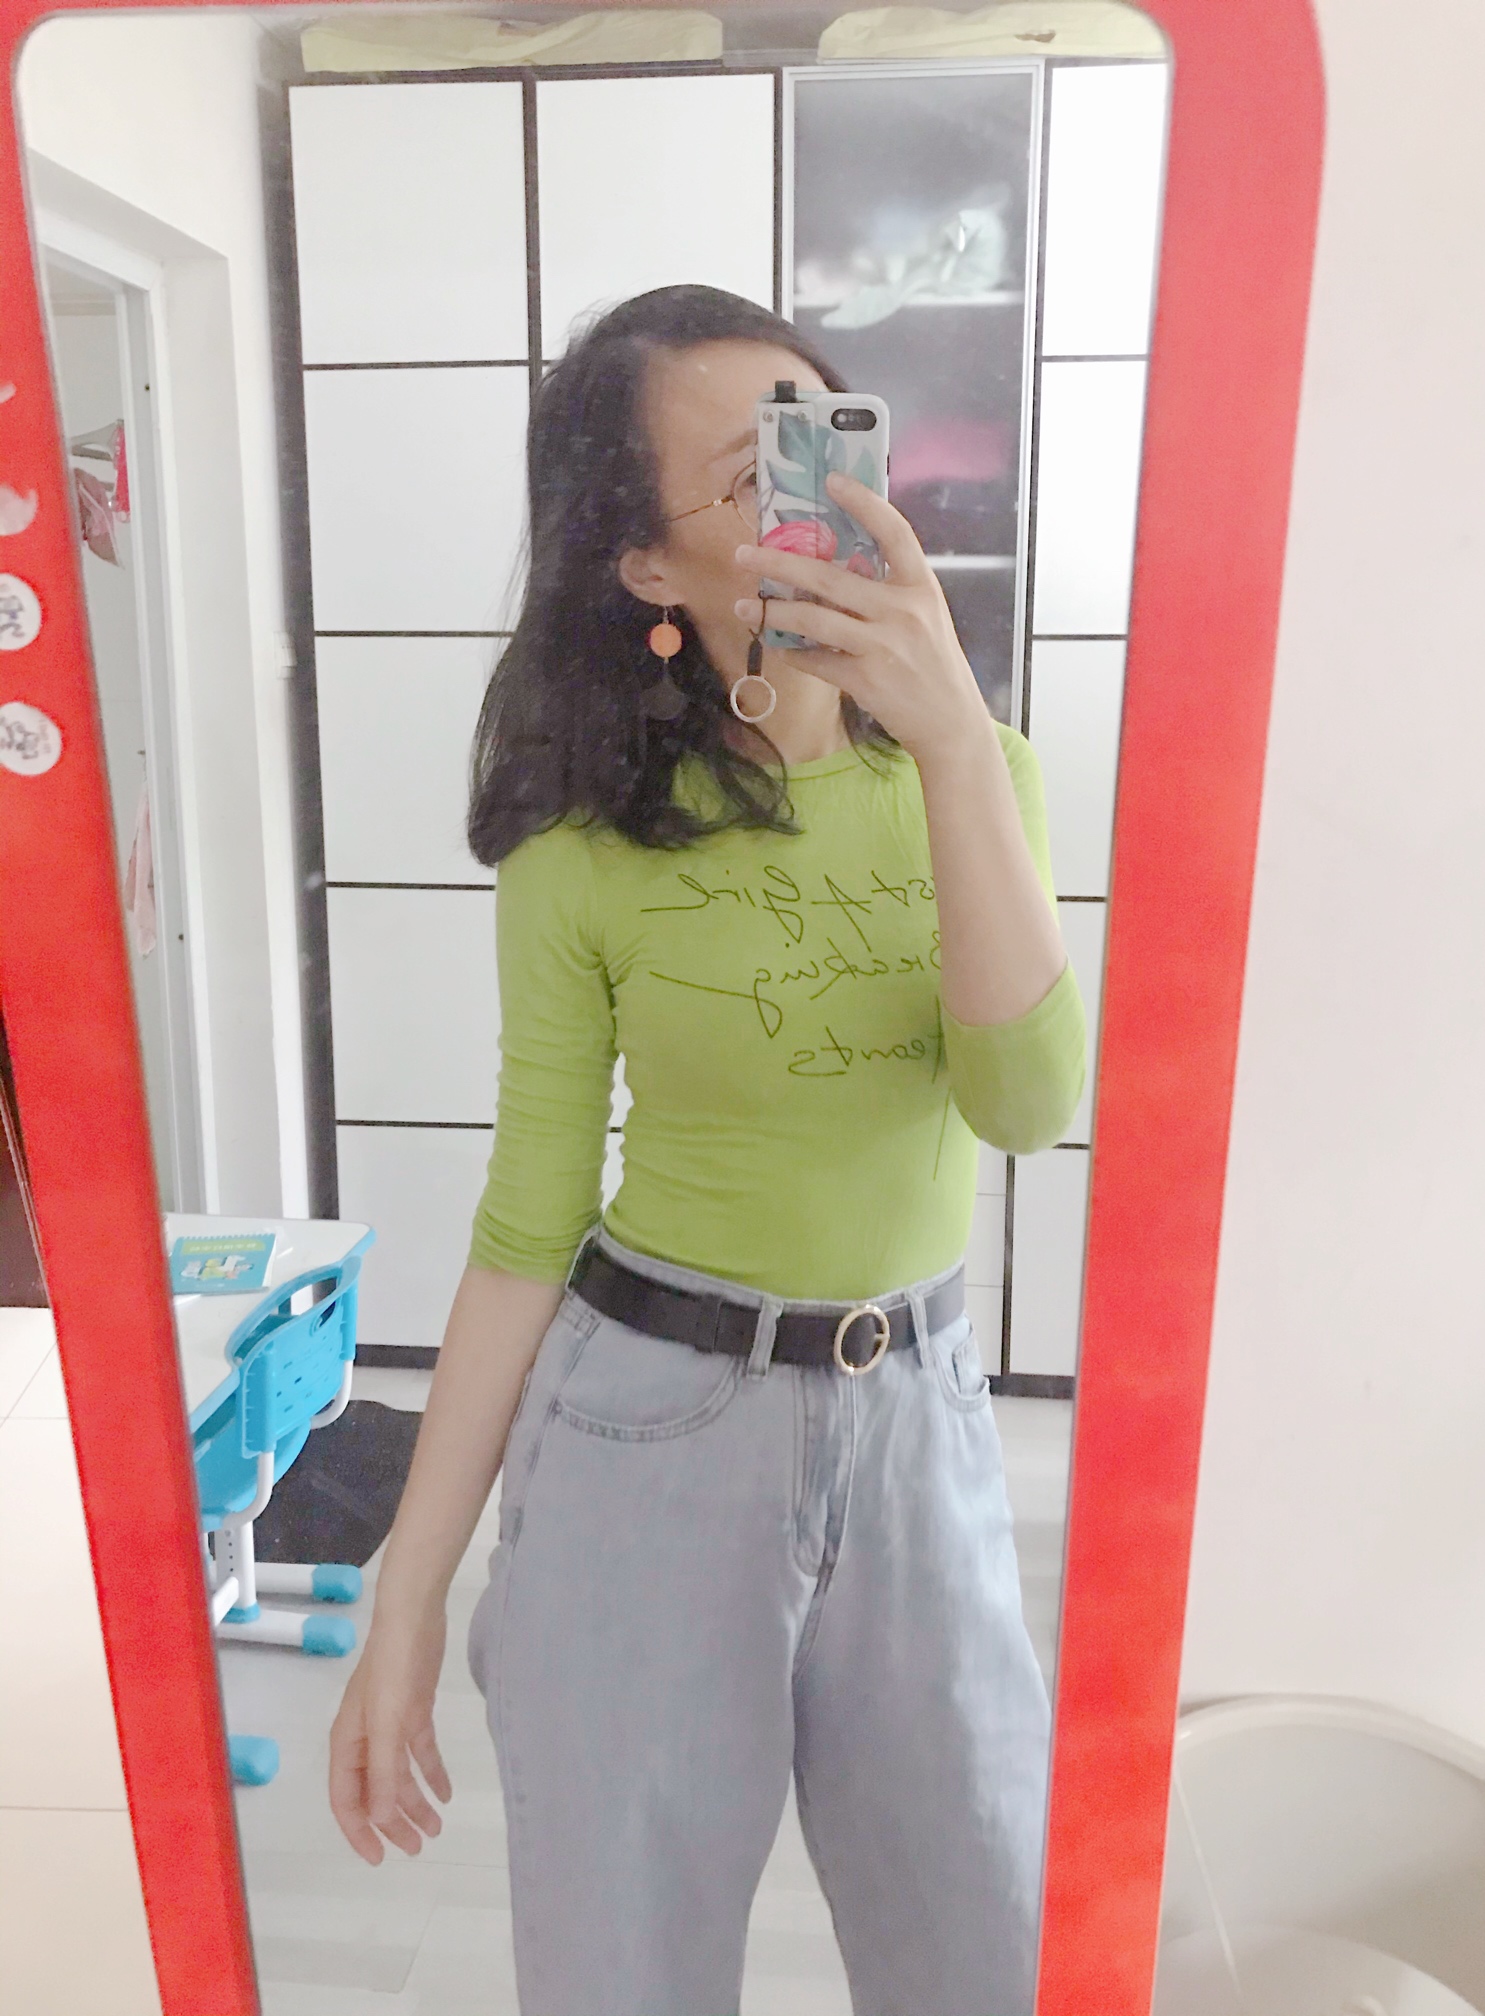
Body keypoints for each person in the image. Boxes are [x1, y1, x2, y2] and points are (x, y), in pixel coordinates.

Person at [329, 285, 1086, 2016]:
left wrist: (953, 739)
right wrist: (408, 1598)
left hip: (920, 1423)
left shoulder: (982, 774)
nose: (824, 496)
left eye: (827, 435)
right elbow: (527, 1225)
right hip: (646, 1435)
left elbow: (1027, 1105)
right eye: (755, 476)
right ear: (647, 567)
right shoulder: (580, 855)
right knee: (627, 1970)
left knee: (990, 1949)